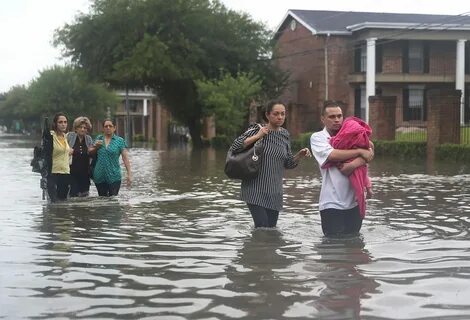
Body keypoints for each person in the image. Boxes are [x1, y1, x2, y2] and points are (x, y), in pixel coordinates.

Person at [229, 101, 311, 228]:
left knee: (271, 230)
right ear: (267, 115)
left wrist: (299, 155)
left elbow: (288, 163)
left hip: (274, 192)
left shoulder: (284, 135)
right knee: (262, 227)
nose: (280, 117)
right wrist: (258, 136)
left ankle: (265, 248)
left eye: (283, 114)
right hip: (254, 189)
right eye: (276, 114)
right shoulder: (257, 129)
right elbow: (235, 147)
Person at [310, 101, 374, 237]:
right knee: (333, 249)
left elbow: (370, 150)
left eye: (339, 116)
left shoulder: (351, 135)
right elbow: (332, 155)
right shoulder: (318, 138)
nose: (337, 120)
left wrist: (352, 165)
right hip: (331, 204)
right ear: (323, 119)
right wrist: (359, 152)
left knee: (354, 247)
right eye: (332, 117)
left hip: (355, 202)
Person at [89, 119, 131, 197]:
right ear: (103, 128)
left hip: (114, 175)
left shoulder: (120, 141)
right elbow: (90, 152)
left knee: (113, 200)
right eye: (106, 126)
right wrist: (96, 148)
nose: (108, 128)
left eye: (110, 126)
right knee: (102, 200)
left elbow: (125, 158)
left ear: (114, 128)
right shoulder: (99, 138)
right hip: (99, 175)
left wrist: (129, 174)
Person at [47, 112, 71, 202]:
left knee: (63, 203)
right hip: (53, 173)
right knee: (54, 203)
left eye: (65, 122)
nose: (63, 124)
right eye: (60, 122)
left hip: (65, 173)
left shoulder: (65, 136)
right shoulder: (50, 136)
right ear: (55, 124)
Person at [67, 116, 93, 197]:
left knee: (84, 197)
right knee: (73, 196)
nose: (82, 129)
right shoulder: (70, 136)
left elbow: (91, 155)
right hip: (72, 173)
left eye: (85, 128)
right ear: (76, 128)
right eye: (80, 127)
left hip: (85, 174)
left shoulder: (88, 139)